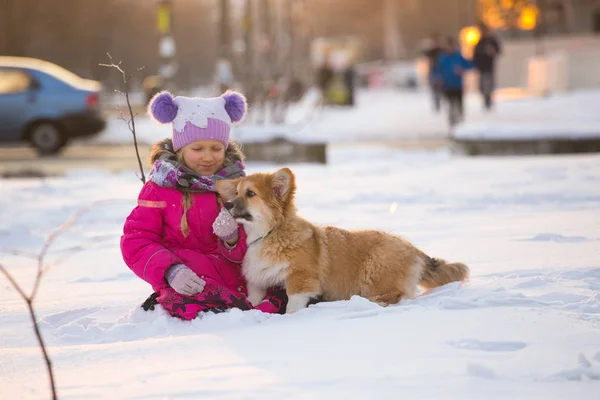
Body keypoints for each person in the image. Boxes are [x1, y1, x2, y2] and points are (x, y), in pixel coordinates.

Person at [121, 90, 287, 320]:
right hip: (190, 282)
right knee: (185, 307)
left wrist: (232, 239)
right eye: (197, 149)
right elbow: (137, 239)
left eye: (216, 148)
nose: (208, 157)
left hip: (239, 281)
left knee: (286, 291)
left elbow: (259, 238)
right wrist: (170, 270)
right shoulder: (160, 188)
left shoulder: (238, 187)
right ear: (180, 149)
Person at [437, 37, 473, 127]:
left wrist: (462, 70)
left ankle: (460, 122)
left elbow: (470, 65)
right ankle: (452, 123)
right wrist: (438, 78)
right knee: (450, 105)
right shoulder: (442, 58)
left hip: (458, 85)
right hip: (447, 86)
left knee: (459, 105)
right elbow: (437, 70)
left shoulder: (459, 57)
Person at [473, 23, 502, 110]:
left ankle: (488, 100)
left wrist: (492, 52)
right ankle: (485, 100)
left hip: (489, 66)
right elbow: (475, 54)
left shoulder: (491, 40)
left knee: (489, 84)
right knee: (483, 85)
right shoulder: (480, 41)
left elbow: (498, 50)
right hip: (481, 67)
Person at [424, 33, 444, 112]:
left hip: (442, 73)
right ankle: (437, 104)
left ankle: (442, 103)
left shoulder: (442, 50)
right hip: (433, 73)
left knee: (442, 89)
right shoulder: (430, 51)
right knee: (435, 90)